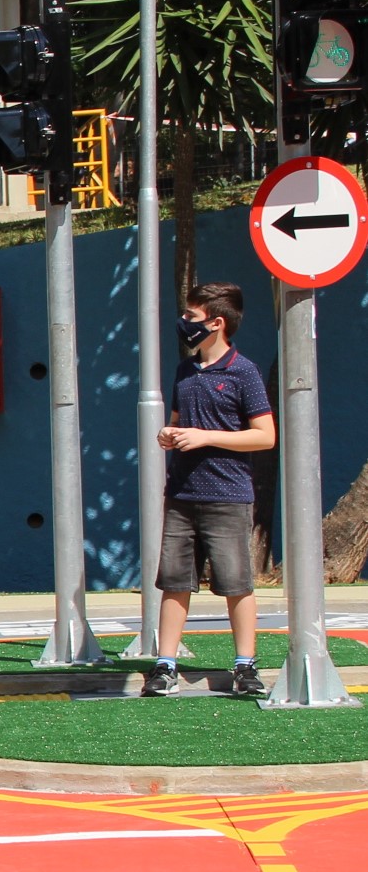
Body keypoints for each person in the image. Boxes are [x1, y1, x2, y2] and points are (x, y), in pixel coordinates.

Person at [141, 282, 276, 697]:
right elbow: (179, 422)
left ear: (217, 323)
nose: (184, 322)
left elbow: (265, 436)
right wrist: (169, 434)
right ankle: (165, 665)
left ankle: (245, 666)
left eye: (191, 316)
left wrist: (206, 437)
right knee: (174, 582)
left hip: (228, 496)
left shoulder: (244, 372)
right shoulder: (185, 371)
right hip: (181, 495)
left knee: (237, 584)